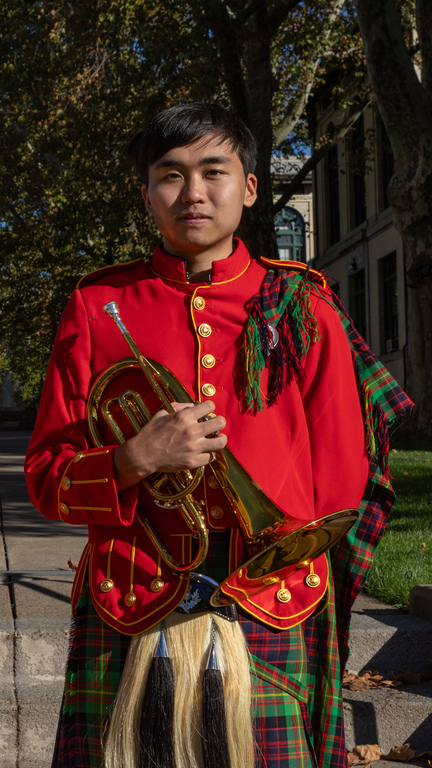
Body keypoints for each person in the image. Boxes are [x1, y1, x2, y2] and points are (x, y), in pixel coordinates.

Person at [25, 103, 412, 768]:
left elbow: (344, 475)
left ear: (250, 188)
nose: (194, 193)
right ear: (146, 194)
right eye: (170, 176)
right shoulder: (96, 306)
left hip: (275, 602)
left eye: (214, 172)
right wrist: (130, 459)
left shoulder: (304, 305)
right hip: (135, 595)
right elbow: (45, 479)